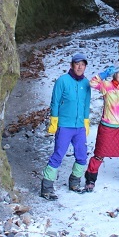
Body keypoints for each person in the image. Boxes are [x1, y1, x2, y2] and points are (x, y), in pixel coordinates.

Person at [40, 52, 91, 200]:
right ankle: (47, 188)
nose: (80, 67)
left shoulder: (86, 83)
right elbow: (55, 102)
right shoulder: (62, 81)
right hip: (64, 125)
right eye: (77, 64)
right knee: (58, 155)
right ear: (72, 65)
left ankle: (74, 182)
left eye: (83, 64)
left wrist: (86, 122)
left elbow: (86, 104)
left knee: (82, 156)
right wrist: (54, 121)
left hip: (79, 126)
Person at [84, 61, 119, 192]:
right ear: (114, 74)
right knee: (99, 154)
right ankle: (90, 179)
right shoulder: (107, 86)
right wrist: (105, 73)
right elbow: (92, 83)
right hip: (108, 127)